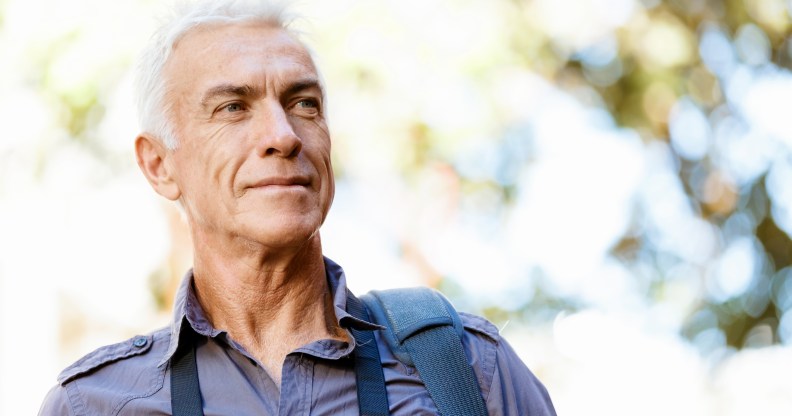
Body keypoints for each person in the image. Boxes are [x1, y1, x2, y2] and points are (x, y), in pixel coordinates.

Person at [38, 1, 556, 414]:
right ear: (158, 165)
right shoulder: (92, 405)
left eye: (303, 103)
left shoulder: (465, 367)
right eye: (233, 108)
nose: (283, 136)